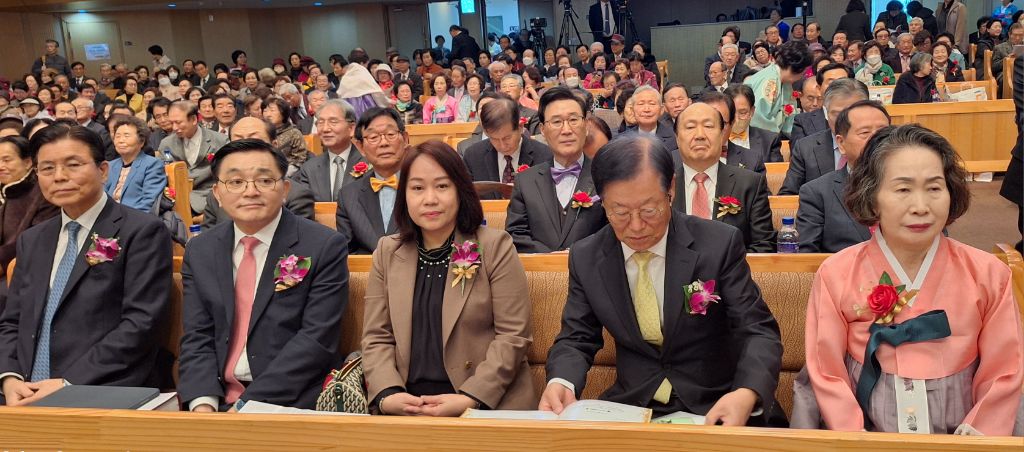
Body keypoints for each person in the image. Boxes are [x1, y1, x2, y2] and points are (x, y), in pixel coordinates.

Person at [795, 124, 1024, 435]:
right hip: (866, 431)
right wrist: (853, 437)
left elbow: (1004, 369)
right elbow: (826, 370)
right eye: (903, 190)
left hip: (961, 432)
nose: (921, 207)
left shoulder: (988, 273)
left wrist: (976, 436)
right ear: (872, 197)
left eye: (934, 188)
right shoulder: (837, 272)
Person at [540, 133, 785, 424]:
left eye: (649, 210)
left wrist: (746, 392)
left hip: (716, 402)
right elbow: (576, 337)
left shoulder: (718, 244)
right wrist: (562, 381)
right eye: (619, 211)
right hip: (633, 406)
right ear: (602, 201)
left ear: (671, 188)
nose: (636, 226)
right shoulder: (587, 256)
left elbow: (758, 331)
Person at [0, 123, 172, 405]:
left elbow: (142, 323)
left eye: (73, 165)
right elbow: (12, 321)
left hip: (101, 386)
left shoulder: (142, 231)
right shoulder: (32, 239)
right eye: (47, 168)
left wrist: (68, 383)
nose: (59, 177)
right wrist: (9, 377)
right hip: (23, 390)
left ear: (103, 171)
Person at [362, 140, 537, 415]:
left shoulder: (495, 246)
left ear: (460, 190)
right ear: (404, 195)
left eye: (442, 186)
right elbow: (376, 337)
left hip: (484, 403)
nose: (430, 199)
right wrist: (387, 393)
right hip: (405, 403)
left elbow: (513, 337)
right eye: (417, 188)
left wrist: (470, 397)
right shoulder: (387, 251)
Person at [179, 138, 348, 412]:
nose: (250, 191)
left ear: (285, 189)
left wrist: (244, 407)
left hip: (293, 401)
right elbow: (198, 334)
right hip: (217, 398)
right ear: (217, 194)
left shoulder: (323, 245)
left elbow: (316, 339)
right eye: (236, 182)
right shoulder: (200, 250)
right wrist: (203, 404)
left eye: (265, 180)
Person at [505, 87, 606, 253]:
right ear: (543, 130)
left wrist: (577, 254)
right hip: (540, 268)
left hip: (592, 266)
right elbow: (516, 234)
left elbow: (614, 229)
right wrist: (551, 258)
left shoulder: (606, 175)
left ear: (586, 125)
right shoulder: (525, 181)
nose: (566, 130)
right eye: (557, 122)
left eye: (573, 120)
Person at [670, 102, 775, 253]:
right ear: (677, 138)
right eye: (690, 127)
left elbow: (763, 245)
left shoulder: (750, 183)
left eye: (708, 126)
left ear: (722, 135)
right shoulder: (663, 185)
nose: (700, 135)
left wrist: (729, 267)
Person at [797, 100, 889, 253]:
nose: (877, 139)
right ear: (841, 143)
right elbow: (807, 256)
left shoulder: (913, 185)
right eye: (865, 133)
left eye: (883, 132)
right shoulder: (817, 192)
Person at [335, 107, 409, 254]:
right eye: (374, 137)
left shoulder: (425, 187)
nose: (384, 143)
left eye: (390, 134)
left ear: (405, 139)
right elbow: (348, 253)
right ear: (360, 147)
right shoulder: (348, 196)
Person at [781, 79, 870, 195]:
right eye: (837, 114)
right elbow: (788, 196)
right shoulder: (806, 148)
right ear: (826, 112)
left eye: (853, 114)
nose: (845, 121)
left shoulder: (881, 145)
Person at [462, 96, 552, 191]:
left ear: (520, 127)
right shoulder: (473, 156)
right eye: (494, 139)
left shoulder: (545, 156)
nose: (502, 146)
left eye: (507, 138)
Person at [0, 136, 58, 275]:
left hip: (27, 270)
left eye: (6, 160)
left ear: (27, 162)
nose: (1, 166)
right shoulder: (10, 190)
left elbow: (35, 241)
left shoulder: (44, 192)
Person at [160, 100, 228, 214]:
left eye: (178, 122)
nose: (174, 128)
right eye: (171, 123)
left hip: (210, 195)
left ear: (194, 119)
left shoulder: (219, 141)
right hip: (177, 197)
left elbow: (227, 174)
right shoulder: (167, 144)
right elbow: (163, 171)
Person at [291, 100, 366, 202]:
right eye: (320, 122)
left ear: (351, 128)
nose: (325, 129)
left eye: (333, 122)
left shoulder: (370, 163)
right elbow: (302, 204)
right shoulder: (309, 168)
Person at [745, 41, 812, 135]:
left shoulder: (784, 80)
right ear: (795, 68)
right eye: (803, 73)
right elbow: (758, 120)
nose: (802, 77)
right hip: (757, 136)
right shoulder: (769, 82)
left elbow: (789, 113)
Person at [104, 116, 166, 212]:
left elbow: (148, 202)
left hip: (134, 216)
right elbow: (102, 196)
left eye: (126, 136)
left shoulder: (153, 165)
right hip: (109, 216)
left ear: (141, 141)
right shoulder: (111, 165)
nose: (120, 140)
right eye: (117, 136)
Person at [724, 85, 784, 169]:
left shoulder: (769, 140)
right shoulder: (715, 139)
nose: (736, 119)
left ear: (752, 111)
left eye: (742, 113)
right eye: (732, 113)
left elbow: (775, 173)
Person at [262, 97, 308, 176]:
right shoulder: (260, 132)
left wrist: (283, 174)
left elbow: (299, 159)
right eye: (265, 111)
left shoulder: (294, 133)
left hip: (287, 174)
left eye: (272, 110)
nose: (268, 115)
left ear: (283, 113)